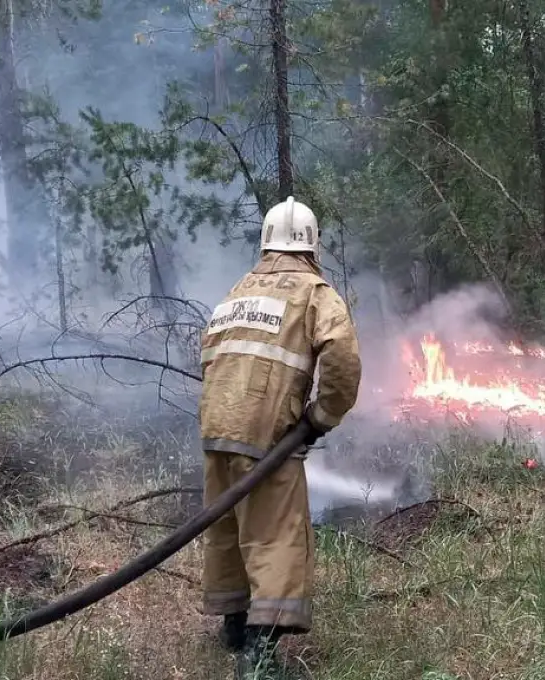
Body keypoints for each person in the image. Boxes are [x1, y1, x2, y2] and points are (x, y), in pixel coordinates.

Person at [198, 196, 362, 678]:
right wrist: (320, 417)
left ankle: (232, 626)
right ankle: (260, 657)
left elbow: (209, 353)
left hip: (216, 427)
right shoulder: (314, 293)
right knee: (275, 538)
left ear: (266, 241)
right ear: (312, 245)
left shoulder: (237, 291)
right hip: (268, 435)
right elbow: (343, 359)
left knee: (228, 529)